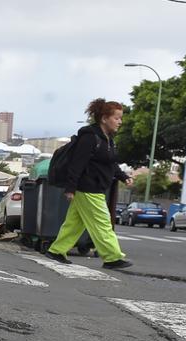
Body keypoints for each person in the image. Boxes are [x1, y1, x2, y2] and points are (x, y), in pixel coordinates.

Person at [45, 99, 134, 269]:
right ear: (104, 119)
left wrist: (123, 176)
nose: (120, 122)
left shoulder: (107, 139)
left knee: (75, 223)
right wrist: (70, 188)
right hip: (88, 188)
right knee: (103, 223)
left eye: (120, 118)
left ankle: (57, 250)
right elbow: (76, 164)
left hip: (94, 187)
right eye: (117, 118)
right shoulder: (90, 138)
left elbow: (110, 163)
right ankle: (112, 257)